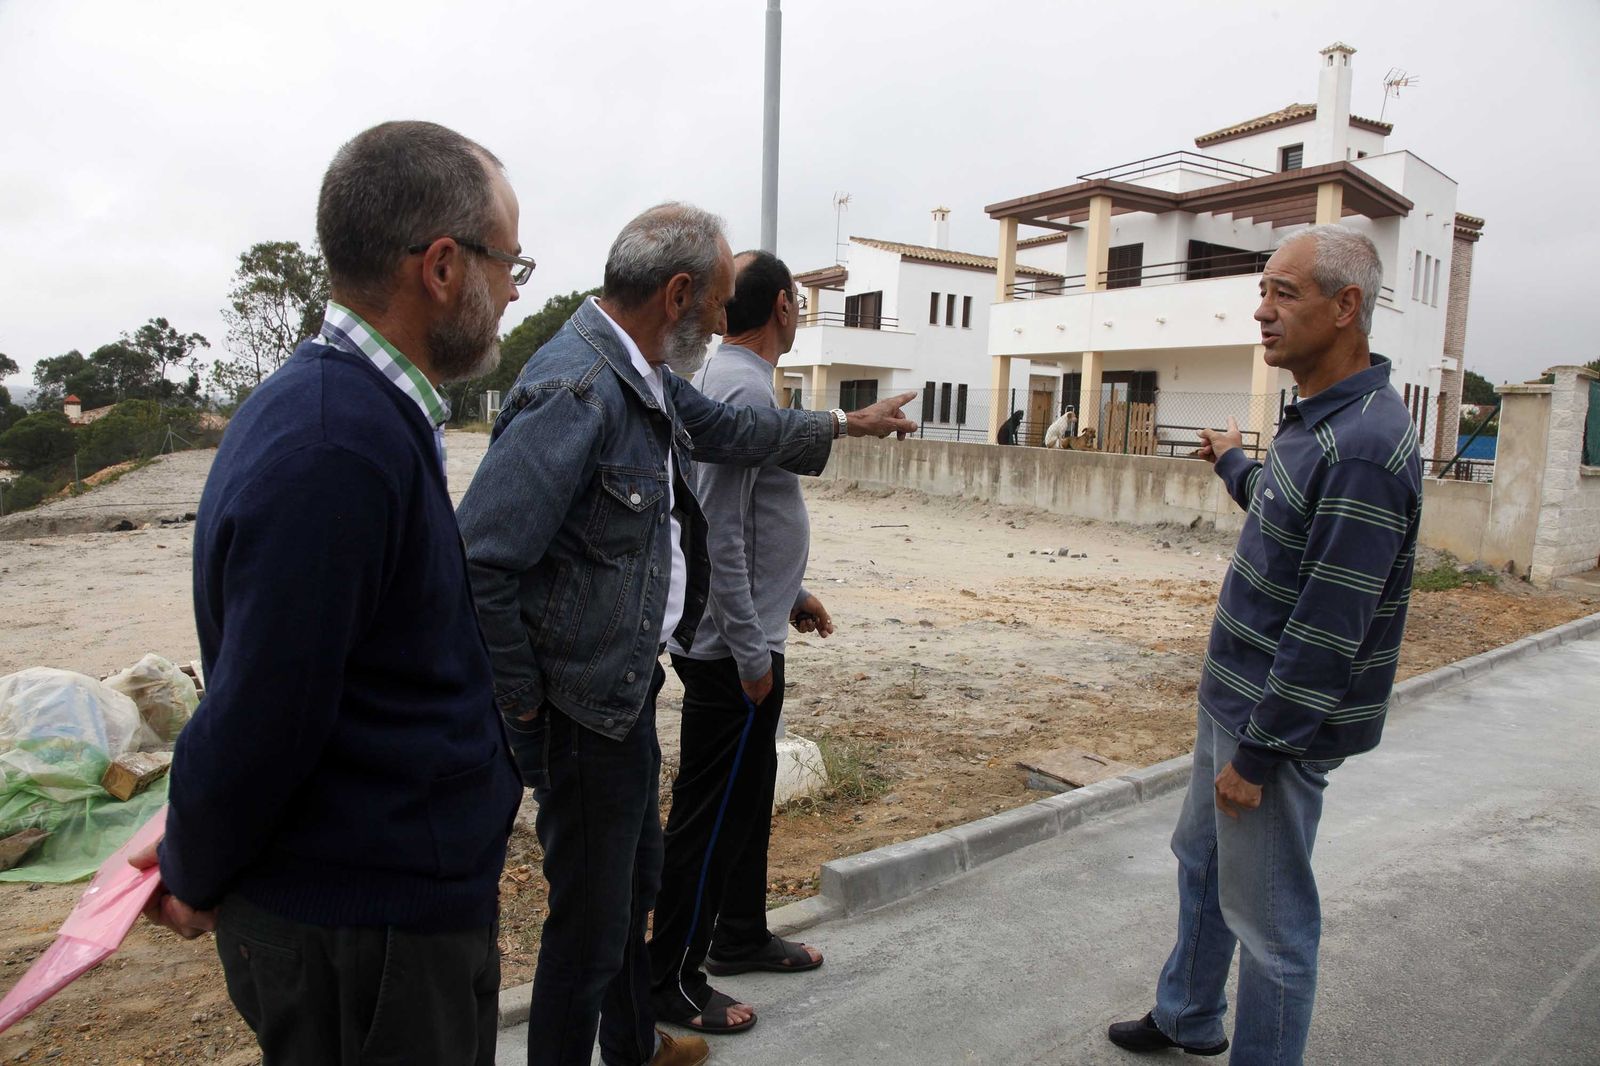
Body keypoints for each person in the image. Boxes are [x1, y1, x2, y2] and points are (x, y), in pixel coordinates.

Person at [455, 203, 917, 1066]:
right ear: (677, 294)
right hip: (577, 711)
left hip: (622, 693)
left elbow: (733, 432)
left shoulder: (641, 371)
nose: (724, 315)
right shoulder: (577, 386)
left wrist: (846, 424)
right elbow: (480, 559)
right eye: (718, 298)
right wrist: (524, 709)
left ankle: (635, 1047)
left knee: (631, 891)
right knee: (588, 928)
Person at [133, 121, 527, 1065]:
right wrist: (193, 861)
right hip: (367, 937)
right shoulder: (334, 447)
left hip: (386, 916)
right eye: (510, 263)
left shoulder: (359, 414)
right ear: (441, 267)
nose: (514, 292)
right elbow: (267, 705)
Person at [1108, 224, 1423, 1063]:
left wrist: (1260, 753)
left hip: (1272, 727)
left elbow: (1329, 628)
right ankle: (1188, 1015)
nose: (1262, 311)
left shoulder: (1363, 447)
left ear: (1346, 307)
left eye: (1285, 294)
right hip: (1234, 699)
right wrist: (1232, 462)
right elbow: (1286, 517)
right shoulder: (1316, 420)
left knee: (1273, 926)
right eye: (1264, 291)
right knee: (1202, 866)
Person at [647, 251, 831, 1036]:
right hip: (732, 651)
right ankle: (672, 978)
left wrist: (789, 594)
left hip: (750, 630)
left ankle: (739, 933)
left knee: (745, 800)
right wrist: (751, 651)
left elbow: (753, 522)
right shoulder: (736, 384)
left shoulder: (746, 382)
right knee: (711, 813)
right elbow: (716, 526)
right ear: (785, 306)